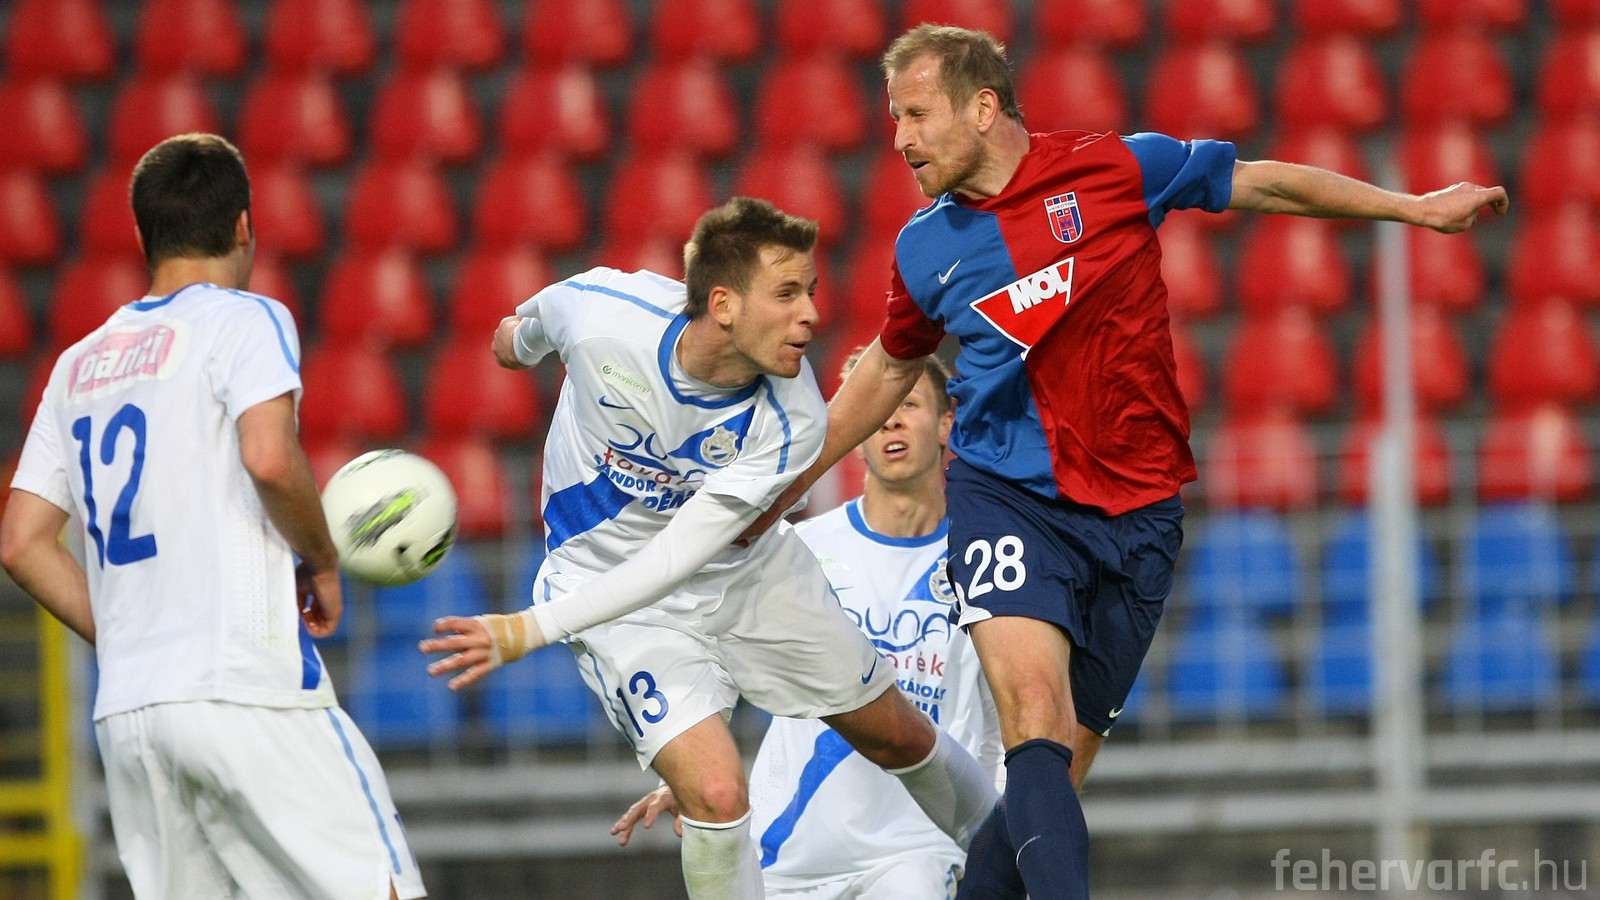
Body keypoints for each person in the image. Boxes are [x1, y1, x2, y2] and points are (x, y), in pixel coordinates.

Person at [744, 25, 1512, 900]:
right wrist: (787, 481)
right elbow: (888, 365)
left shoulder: (1114, 169)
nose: (900, 138)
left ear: (982, 107)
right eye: (893, 118)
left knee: (1047, 782)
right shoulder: (926, 247)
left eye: (916, 115)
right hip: (1007, 495)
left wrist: (1413, 207)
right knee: (1034, 720)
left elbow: (1261, 182)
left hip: (1139, 510)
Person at [418, 197, 997, 900]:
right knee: (718, 794)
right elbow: (524, 333)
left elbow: (681, 554)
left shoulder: (793, 416)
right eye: (787, 294)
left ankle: (1014, 864)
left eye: (812, 291)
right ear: (723, 304)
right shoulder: (604, 313)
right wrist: (515, 345)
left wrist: (525, 630)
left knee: (898, 735)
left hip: (744, 571)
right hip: (613, 593)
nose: (811, 315)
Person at [0, 133, 424, 900]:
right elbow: (269, 457)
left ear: (144, 236)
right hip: (243, 684)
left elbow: (22, 542)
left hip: (132, 710)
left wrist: (129, 639)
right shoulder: (244, 319)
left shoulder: (77, 365)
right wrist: (323, 559)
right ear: (243, 227)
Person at [612, 351, 1003, 899]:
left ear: (945, 424)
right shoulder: (803, 548)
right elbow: (719, 659)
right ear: (856, 432)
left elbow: (1002, 716)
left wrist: (1003, 829)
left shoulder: (985, 563)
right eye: (879, 409)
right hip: (794, 844)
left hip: (920, 845)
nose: (890, 421)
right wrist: (687, 769)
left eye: (909, 404)